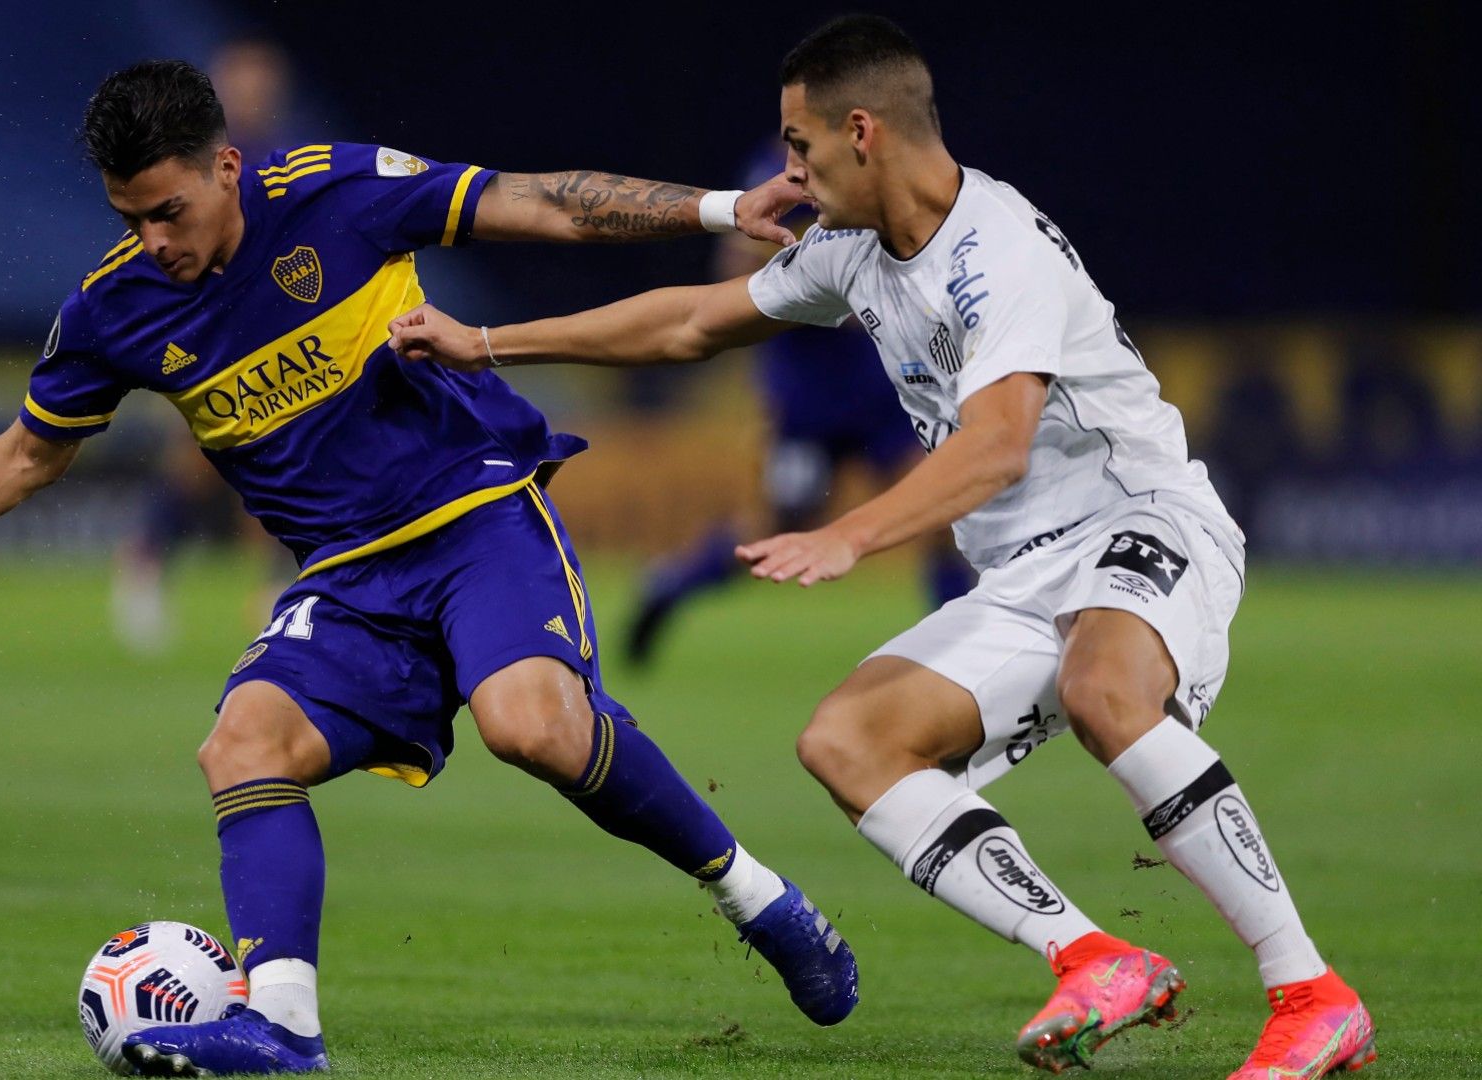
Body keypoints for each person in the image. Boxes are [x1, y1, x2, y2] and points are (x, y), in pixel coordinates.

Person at [0, 59, 858, 1077]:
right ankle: (284, 1027)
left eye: (169, 212)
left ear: (226, 168)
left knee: (534, 726)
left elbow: (540, 201)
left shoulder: (337, 192)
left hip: (473, 510)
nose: (153, 241)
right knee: (242, 741)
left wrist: (719, 210)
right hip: (349, 578)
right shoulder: (113, 310)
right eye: (128, 219)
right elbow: (27, 454)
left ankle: (761, 903)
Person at [388, 16, 1374, 1079]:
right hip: (1026, 574)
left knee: (1104, 687)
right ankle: (1094, 958)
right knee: (849, 743)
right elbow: (689, 324)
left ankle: (1311, 991)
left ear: (863, 132)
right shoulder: (855, 252)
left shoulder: (997, 250)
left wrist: (849, 537)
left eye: (799, 147)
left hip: (1142, 520)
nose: (789, 172)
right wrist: (487, 343)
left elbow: (997, 446)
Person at [625, 137, 971, 667]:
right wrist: (825, 281)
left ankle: (959, 656)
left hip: (883, 393)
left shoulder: (882, 166)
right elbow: (737, 263)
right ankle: (672, 584)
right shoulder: (781, 172)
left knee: (939, 513)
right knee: (778, 529)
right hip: (809, 402)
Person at [112, 38, 306, 653]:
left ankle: (280, 589)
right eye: (243, 82)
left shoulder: (284, 155)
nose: (254, 93)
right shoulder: (188, 159)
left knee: (297, 448)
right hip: (203, 329)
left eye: (262, 83)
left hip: (273, 327)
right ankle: (144, 565)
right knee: (197, 464)